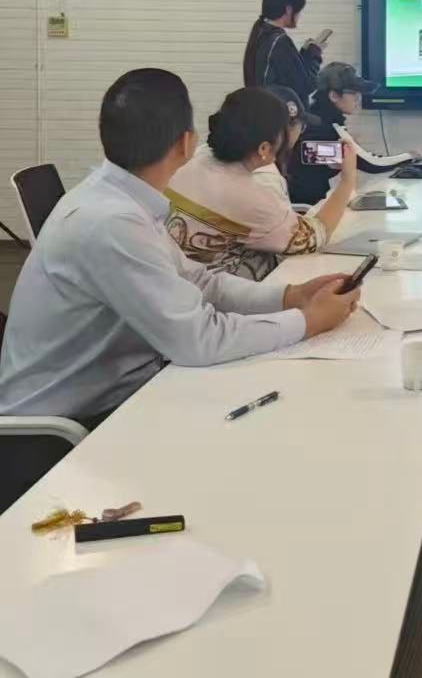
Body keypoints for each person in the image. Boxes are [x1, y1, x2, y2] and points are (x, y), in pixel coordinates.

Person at [0, 69, 360, 427]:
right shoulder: (111, 222)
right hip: (65, 428)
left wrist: (291, 296)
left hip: (119, 387)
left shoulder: (120, 198)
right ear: (186, 143)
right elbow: (198, 340)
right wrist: (309, 321)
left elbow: (199, 282)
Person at [166, 86, 358, 280]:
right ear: (264, 148)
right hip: (226, 291)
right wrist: (347, 181)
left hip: (179, 280)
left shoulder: (196, 158)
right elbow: (314, 237)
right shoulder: (250, 195)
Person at [289, 62, 408, 205]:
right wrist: (410, 157)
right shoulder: (322, 129)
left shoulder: (318, 121)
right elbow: (371, 164)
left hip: (313, 204)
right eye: (354, 93)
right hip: (308, 210)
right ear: (334, 95)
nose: (358, 99)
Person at [242, 0, 323, 99]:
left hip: (259, 105)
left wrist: (304, 55)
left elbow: (284, 75)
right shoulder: (279, 41)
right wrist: (314, 55)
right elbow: (305, 86)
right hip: (275, 108)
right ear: (288, 10)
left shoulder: (260, 30)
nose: (299, 16)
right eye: (298, 11)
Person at [252, 84, 318, 200]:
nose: (300, 133)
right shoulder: (267, 176)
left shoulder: (249, 159)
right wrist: (346, 181)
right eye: (302, 126)